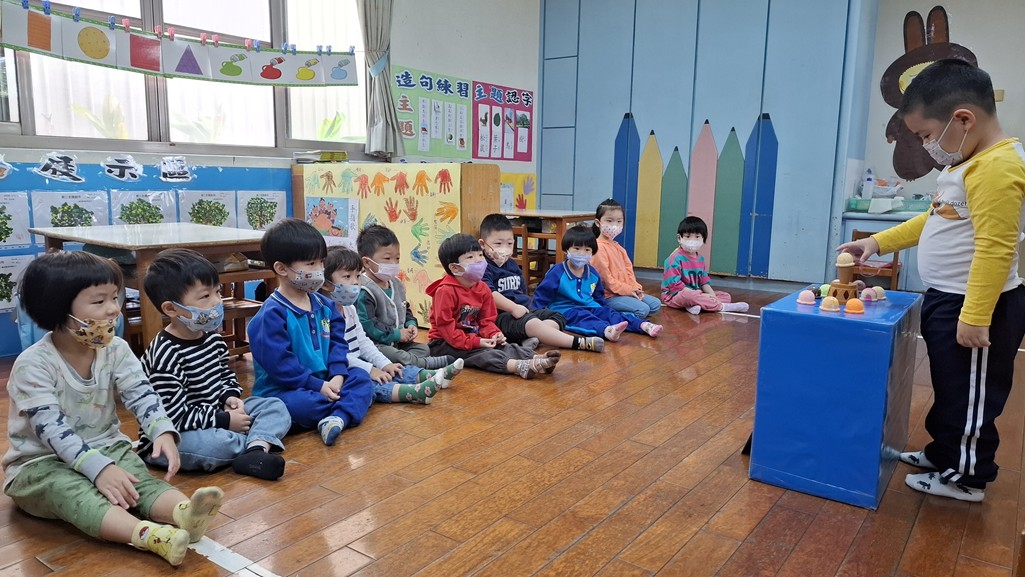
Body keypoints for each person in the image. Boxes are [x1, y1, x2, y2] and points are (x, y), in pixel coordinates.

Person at [838, 60, 1025, 502]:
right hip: (948, 299)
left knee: (971, 397)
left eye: (926, 135)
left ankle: (966, 477)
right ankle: (944, 453)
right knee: (950, 386)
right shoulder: (967, 164)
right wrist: (875, 242)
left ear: (963, 119)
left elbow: (996, 247)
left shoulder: (996, 167)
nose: (926, 146)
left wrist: (975, 316)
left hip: (978, 307)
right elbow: (932, 219)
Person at [2, 251, 222, 566]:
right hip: (40, 465)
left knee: (139, 481)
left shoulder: (115, 349)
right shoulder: (33, 364)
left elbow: (140, 392)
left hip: (107, 447)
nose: (113, 309)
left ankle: (184, 514)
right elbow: (51, 430)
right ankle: (148, 535)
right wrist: (99, 469)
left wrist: (161, 429)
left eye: (115, 297)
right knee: (77, 494)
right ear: (57, 307)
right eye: (99, 301)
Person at [140, 249, 289, 481]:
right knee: (212, 444)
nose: (217, 301)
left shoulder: (212, 338)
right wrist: (225, 421)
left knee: (274, 406)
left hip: (217, 415)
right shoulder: (165, 354)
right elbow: (173, 417)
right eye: (205, 296)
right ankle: (258, 441)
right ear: (171, 309)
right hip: (174, 434)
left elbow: (225, 376)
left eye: (217, 292)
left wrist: (230, 397)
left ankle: (255, 450)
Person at [248, 218, 375, 447]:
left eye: (321, 263)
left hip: (326, 381)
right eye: (310, 264)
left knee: (361, 378)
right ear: (281, 269)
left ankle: (336, 418)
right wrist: (319, 386)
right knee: (299, 405)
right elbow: (281, 366)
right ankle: (345, 409)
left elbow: (338, 344)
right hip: (286, 390)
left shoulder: (325, 304)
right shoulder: (271, 315)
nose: (319, 271)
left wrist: (338, 374)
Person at [321, 246, 464, 403]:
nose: (355, 282)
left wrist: (384, 364)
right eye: (347, 276)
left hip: (360, 361)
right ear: (326, 283)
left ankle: (432, 375)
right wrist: (371, 369)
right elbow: (335, 355)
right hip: (340, 371)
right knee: (370, 382)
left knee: (393, 368)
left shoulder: (349, 309)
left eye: (357, 276)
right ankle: (413, 393)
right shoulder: (322, 316)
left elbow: (363, 342)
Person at [427, 233, 561, 379]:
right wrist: (476, 342)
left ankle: (535, 358)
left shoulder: (483, 288)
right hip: (443, 343)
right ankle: (518, 366)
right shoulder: (445, 291)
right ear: (455, 268)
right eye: (470, 257)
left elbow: (486, 320)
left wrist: (493, 334)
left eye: (480, 254)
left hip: (472, 336)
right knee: (483, 354)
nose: (479, 260)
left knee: (504, 346)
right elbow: (446, 328)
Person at [478, 214, 604, 353]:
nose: (505, 248)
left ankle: (531, 337)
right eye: (498, 244)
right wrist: (513, 308)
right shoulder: (483, 267)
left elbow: (522, 290)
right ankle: (578, 343)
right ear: (483, 244)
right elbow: (489, 293)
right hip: (502, 315)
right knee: (531, 323)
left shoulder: (512, 264)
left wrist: (526, 307)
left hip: (524, 310)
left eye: (510, 243)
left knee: (557, 316)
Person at [532, 225, 662, 340]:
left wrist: (602, 310)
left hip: (590, 305)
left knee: (610, 314)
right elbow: (542, 294)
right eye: (576, 248)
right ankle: (606, 331)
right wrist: (536, 314)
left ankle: (643, 325)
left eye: (587, 250)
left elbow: (598, 295)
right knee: (584, 318)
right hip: (565, 310)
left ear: (592, 252)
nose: (582, 254)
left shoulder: (593, 273)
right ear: (566, 249)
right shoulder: (557, 272)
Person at [356, 225, 453, 369]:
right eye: (387, 258)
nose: (394, 263)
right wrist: (396, 334)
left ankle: (409, 364)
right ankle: (426, 365)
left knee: (423, 349)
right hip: (376, 344)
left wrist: (411, 324)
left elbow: (404, 308)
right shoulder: (364, 289)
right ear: (367, 262)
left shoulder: (396, 283)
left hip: (398, 343)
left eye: (397, 258)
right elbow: (369, 324)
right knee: (397, 355)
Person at [589, 199, 662, 318]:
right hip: (609, 296)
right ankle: (608, 314)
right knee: (643, 310)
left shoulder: (619, 248)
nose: (615, 225)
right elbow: (606, 280)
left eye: (619, 221)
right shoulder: (598, 248)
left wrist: (635, 288)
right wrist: (629, 291)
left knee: (655, 304)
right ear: (598, 223)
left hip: (624, 292)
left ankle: (627, 311)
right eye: (609, 221)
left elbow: (629, 273)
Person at [661, 216, 749, 314]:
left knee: (725, 296)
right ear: (679, 238)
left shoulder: (700, 259)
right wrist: (699, 295)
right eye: (688, 236)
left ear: (703, 239)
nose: (692, 240)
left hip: (696, 293)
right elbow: (674, 285)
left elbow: (704, 281)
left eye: (697, 237)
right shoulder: (674, 258)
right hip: (674, 295)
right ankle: (721, 307)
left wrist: (711, 295)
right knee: (689, 296)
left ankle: (693, 305)